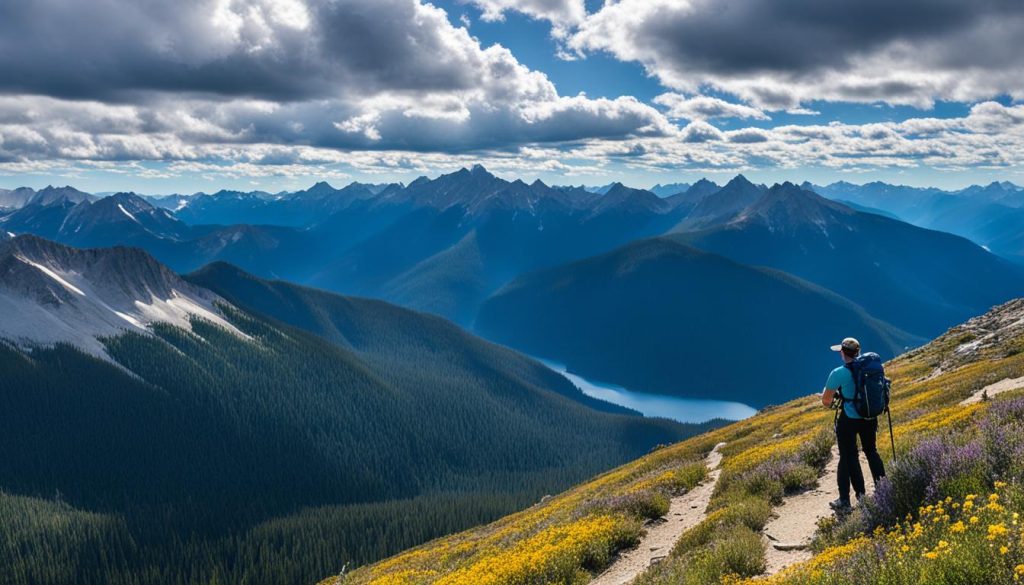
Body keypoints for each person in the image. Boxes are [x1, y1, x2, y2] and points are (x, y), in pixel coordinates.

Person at [820, 337, 886, 511]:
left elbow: (826, 401)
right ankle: (884, 492)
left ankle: (852, 499)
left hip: (849, 419)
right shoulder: (871, 369)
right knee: (871, 451)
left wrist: (836, 398)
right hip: (870, 417)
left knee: (849, 456)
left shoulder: (838, 373)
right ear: (858, 351)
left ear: (842, 352)